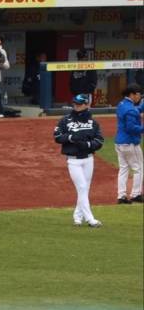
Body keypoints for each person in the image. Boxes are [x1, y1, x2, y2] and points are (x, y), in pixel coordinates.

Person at [53, 94, 104, 227]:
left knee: (84, 189)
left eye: (80, 104)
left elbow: (99, 141)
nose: (76, 106)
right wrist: (71, 137)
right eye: (75, 103)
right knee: (81, 187)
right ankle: (90, 219)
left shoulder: (93, 122)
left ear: (87, 105)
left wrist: (87, 145)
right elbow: (57, 136)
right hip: (73, 161)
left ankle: (77, 216)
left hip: (88, 159)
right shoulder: (65, 120)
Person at [115, 84, 143, 204]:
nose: (140, 97)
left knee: (124, 169)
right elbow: (131, 127)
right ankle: (136, 194)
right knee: (139, 168)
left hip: (119, 142)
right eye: (138, 95)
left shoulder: (121, 104)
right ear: (132, 94)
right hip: (129, 142)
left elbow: (134, 111)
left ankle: (121, 196)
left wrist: (142, 106)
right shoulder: (130, 109)